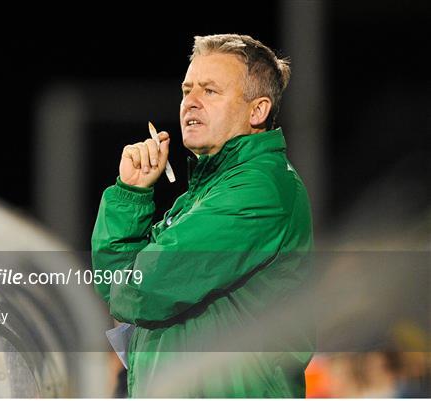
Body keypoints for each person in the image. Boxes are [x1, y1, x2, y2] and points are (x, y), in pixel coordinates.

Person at [91, 34, 314, 397]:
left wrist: (128, 285)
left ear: (257, 110)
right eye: (186, 90)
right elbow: (114, 285)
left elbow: (142, 291)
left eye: (210, 91)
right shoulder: (203, 194)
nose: (190, 103)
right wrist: (131, 193)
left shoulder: (259, 189)